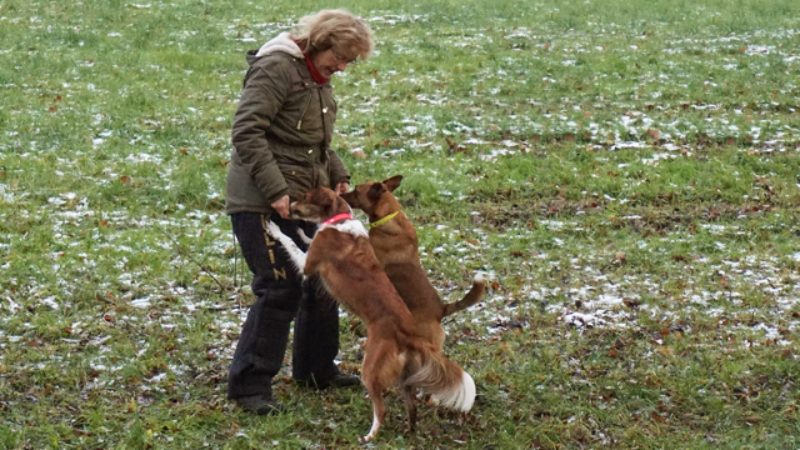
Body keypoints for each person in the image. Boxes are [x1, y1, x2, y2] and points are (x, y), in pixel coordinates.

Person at [224, 9, 373, 415]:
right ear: (318, 42)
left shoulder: (316, 79)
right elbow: (246, 132)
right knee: (279, 287)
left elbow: (313, 142)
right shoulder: (276, 68)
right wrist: (274, 191)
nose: (341, 67)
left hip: (302, 199)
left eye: (349, 61)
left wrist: (337, 173)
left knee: (322, 281)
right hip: (260, 200)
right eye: (338, 57)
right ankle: (249, 386)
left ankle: (315, 370)